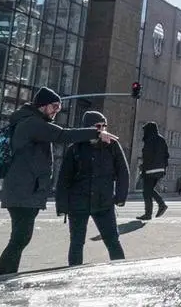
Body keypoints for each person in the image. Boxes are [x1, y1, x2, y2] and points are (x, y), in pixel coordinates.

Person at [0, 87, 117, 276]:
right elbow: (63, 135)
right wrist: (96, 133)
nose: (56, 111)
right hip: (23, 191)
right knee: (20, 237)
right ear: (43, 105)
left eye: (58, 108)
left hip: (24, 190)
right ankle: (0, 275)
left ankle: (6, 274)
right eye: (54, 107)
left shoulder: (31, 121)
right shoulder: (32, 123)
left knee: (21, 237)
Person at [55, 111, 129, 266]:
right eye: (97, 126)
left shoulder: (112, 145)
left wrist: (120, 197)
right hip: (78, 203)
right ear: (87, 128)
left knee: (112, 240)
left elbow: (123, 171)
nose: (102, 130)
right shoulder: (75, 148)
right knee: (76, 243)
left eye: (104, 126)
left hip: (104, 202)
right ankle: (74, 273)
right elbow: (64, 179)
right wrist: (62, 206)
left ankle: (121, 272)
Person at [138, 122, 169, 220]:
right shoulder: (161, 139)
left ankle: (158, 207)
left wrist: (143, 168)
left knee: (146, 191)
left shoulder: (150, 140)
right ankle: (157, 207)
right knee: (149, 190)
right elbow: (166, 155)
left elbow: (147, 156)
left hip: (150, 170)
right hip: (160, 170)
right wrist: (164, 168)